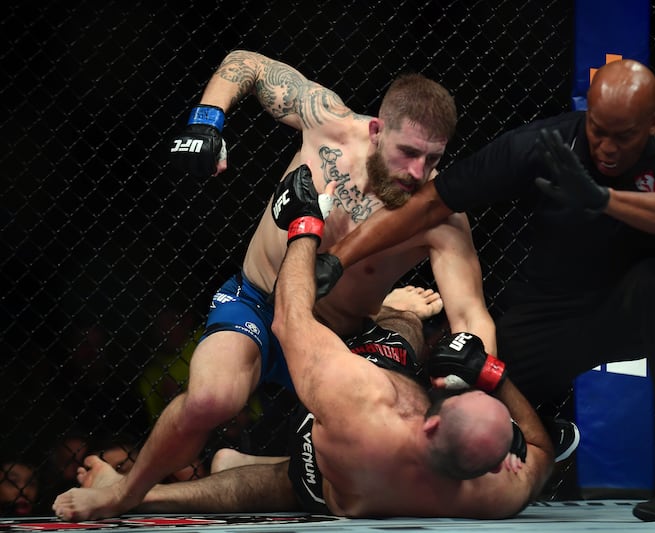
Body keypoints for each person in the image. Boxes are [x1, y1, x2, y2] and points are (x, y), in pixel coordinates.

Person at [52, 49, 496, 521]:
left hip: (334, 339)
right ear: (376, 129)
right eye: (408, 152)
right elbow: (247, 63)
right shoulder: (331, 124)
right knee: (210, 398)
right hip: (258, 302)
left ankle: (242, 466)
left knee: (379, 452)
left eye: (432, 159)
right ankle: (122, 493)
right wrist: (207, 123)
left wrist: (473, 395)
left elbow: (471, 317)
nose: (416, 172)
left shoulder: (439, 214)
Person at [315, 59, 655, 523]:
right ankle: (537, 435)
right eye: (597, 130)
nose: (606, 148)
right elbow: (432, 202)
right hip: (551, 311)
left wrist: (603, 199)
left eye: (623, 137)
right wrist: (338, 258)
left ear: (652, 125)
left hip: (636, 305)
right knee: (469, 385)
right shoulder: (544, 145)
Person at [58, 168, 554, 518]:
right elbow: (540, 449)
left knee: (394, 346)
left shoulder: (364, 405)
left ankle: (127, 492)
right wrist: (493, 373)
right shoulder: (495, 492)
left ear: (428, 425)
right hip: (346, 493)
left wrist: (303, 227)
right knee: (283, 484)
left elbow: (289, 318)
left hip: (339, 449)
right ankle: (213, 471)